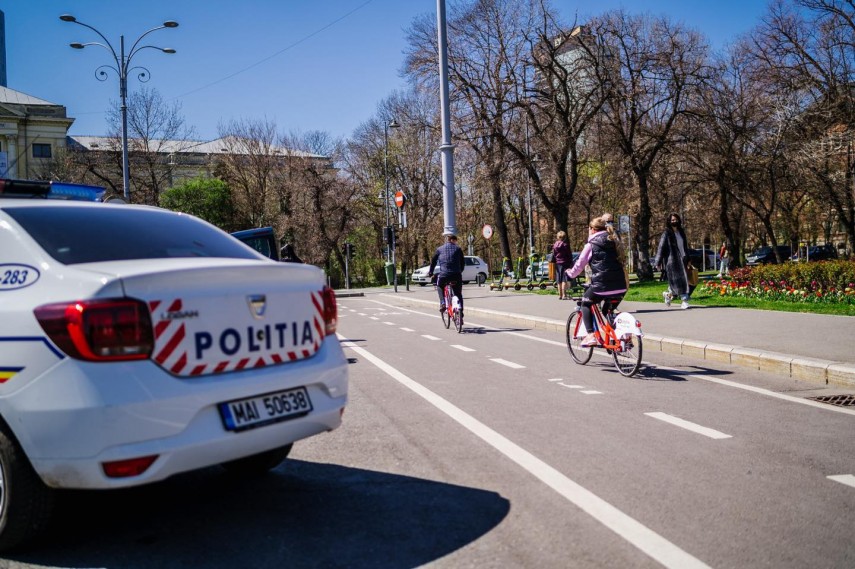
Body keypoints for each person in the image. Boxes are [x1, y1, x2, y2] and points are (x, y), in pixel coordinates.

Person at [564, 216, 628, 347]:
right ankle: (623, 334)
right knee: (608, 310)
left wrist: (570, 274)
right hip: (620, 286)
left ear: (592, 229)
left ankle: (590, 335)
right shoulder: (615, 241)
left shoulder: (591, 245)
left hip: (601, 286)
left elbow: (579, 265)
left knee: (586, 303)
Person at [653, 213, 692, 309]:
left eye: (675, 219)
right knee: (680, 281)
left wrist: (688, 258)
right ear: (669, 221)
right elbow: (661, 248)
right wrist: (657, 262)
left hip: (683, 259)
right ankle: (684, 300)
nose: (674, 221)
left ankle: (668, 295)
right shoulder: (666, 233)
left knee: (679, 282)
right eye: (672, 220)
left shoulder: (681, 232)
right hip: (672, 261)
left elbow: (685, 246)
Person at [428, 233, 465, 316]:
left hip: (444, 275)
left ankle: (442, 303)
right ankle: (461, 312)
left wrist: (431, 272)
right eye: (455, 241)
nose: (456, 243)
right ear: (453, 240)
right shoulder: (458, 249)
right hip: (456, 275)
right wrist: (460, 271)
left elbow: (433, 261)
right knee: (458, 293)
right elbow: (462, 262)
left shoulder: (439, 249)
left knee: (439, 286)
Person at [552, 231, 573, 300]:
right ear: (564, 237)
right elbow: (569, 254)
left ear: (558, 237)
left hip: (558, 263)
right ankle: (564, 295)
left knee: (559, 280)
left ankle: (560, 295)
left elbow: (554, 254)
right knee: (564, 279)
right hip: (565, 263)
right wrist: (571, 262)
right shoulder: (565, 245)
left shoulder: (555, 245)